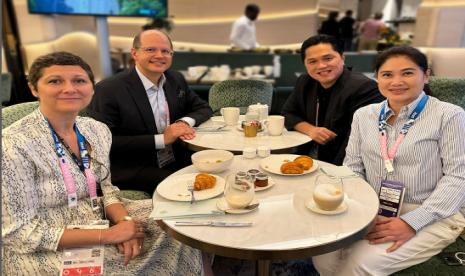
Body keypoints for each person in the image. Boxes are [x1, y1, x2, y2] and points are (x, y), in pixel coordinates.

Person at [1, 52, 202, 275]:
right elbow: (18, 233)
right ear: (34, 88)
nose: (69, 89)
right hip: (46, 242)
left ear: (91, 87)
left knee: (180, 223)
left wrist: (124, 223)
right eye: (55, 81)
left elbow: (105, 188)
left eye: (79, 80)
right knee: (121, 268)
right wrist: (108, 235)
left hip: (98, 215)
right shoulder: (13, 145)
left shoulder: (96, 130)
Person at [313, 46, 465, 275]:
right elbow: (352, 166)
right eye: (387, 74)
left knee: (359, 265)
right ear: (377, 78)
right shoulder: (364, 115)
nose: (397, 81)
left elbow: (459, 176)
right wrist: (363, 209)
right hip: (373, 205)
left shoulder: (450, 115)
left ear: (426, 75)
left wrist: (412, 222)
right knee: (323, 254)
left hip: (432, 211)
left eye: (407, 73)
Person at [88, 29, 213, 194]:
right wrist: (162, 139)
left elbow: (203, 107)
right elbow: (103, 143)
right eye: (151, 50)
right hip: (133, 166)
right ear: (134, 53)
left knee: (214, 170)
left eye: (166, 51)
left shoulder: (175, 79)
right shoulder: (109, 89)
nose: (160, 55)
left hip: (174, 156)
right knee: (188, 186)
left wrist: (183, 123)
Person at [281, 34, 384, 165]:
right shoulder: (305, 82)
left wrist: (333, 173)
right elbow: (288, 113)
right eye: (313, 61)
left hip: (340, 162)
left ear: (342, 58)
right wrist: (311, 130)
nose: (321, 65)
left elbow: (358, 141)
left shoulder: (364, 88)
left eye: (328, 58)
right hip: (305, 156)